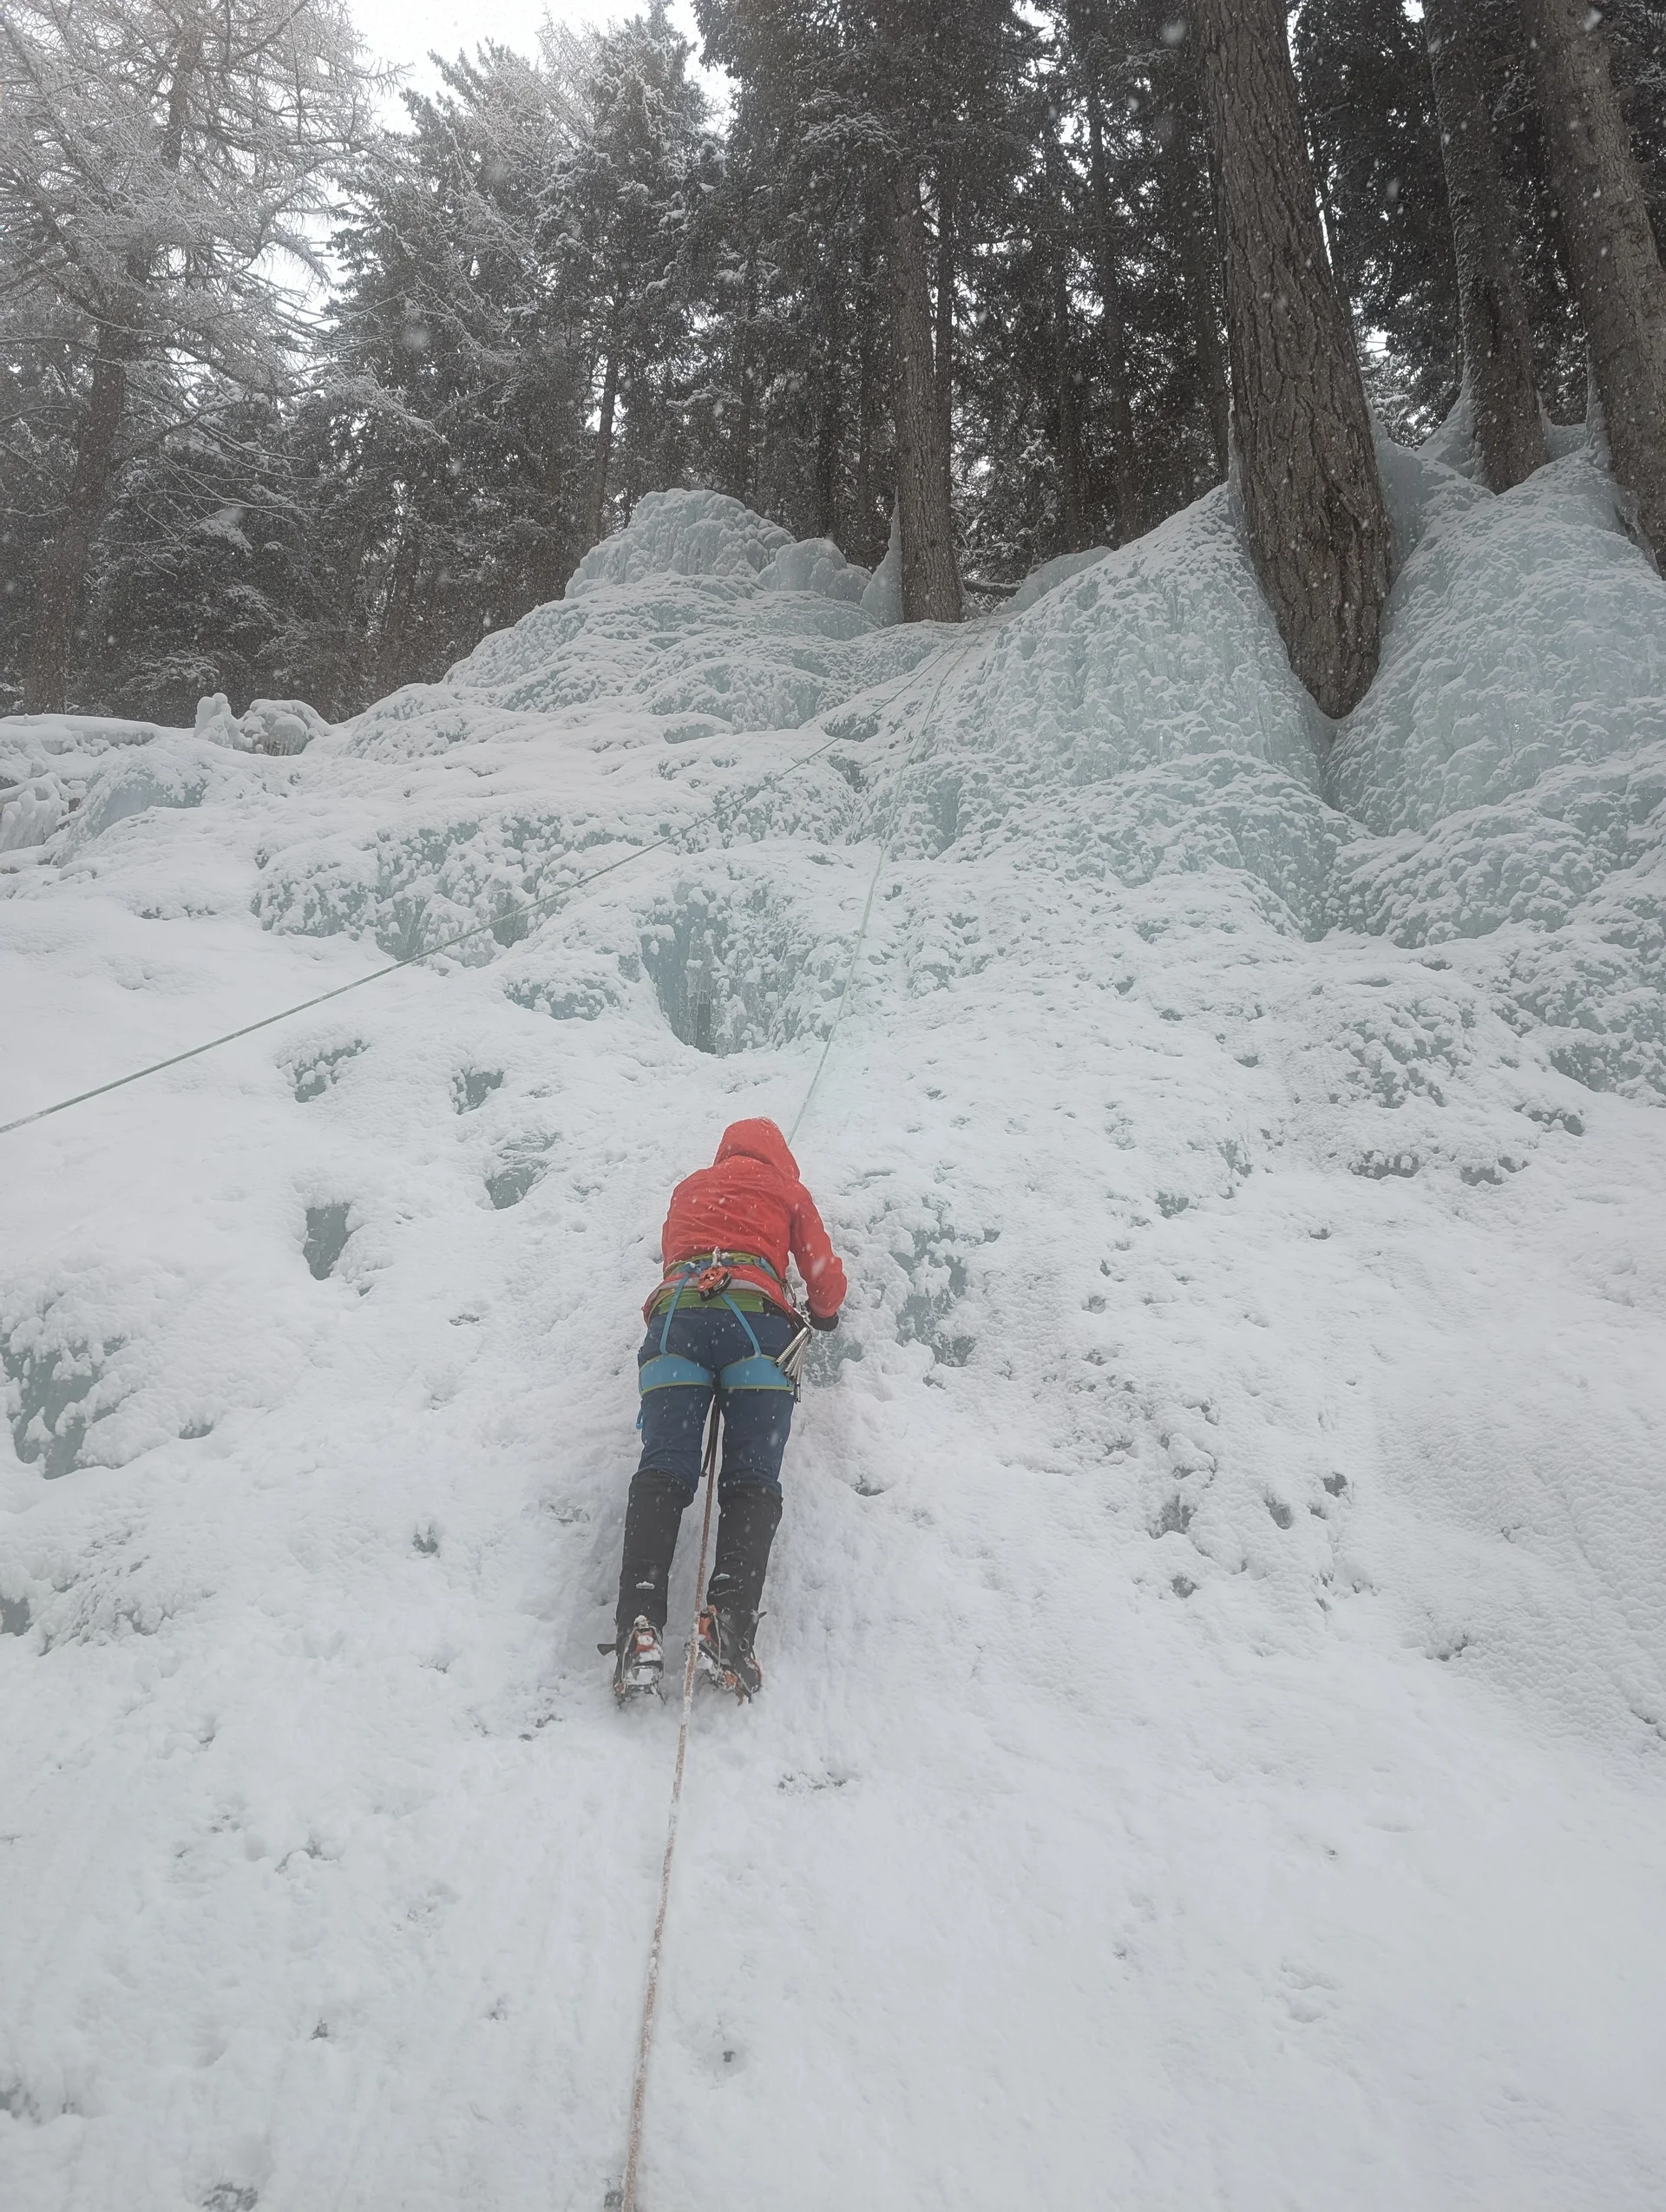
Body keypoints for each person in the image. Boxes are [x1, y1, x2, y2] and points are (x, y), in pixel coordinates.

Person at [610, 1118, 846, 1702]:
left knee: (664, 1470)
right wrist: (824, 1314)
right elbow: (824, 1282)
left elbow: (673, 1251)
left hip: (678, 1325)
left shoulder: (691, 1187)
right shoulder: (788, 1191)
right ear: (780, 1157)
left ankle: (639, 1629)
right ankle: (727, 1623)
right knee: (749, 1480)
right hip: (755, 1328)